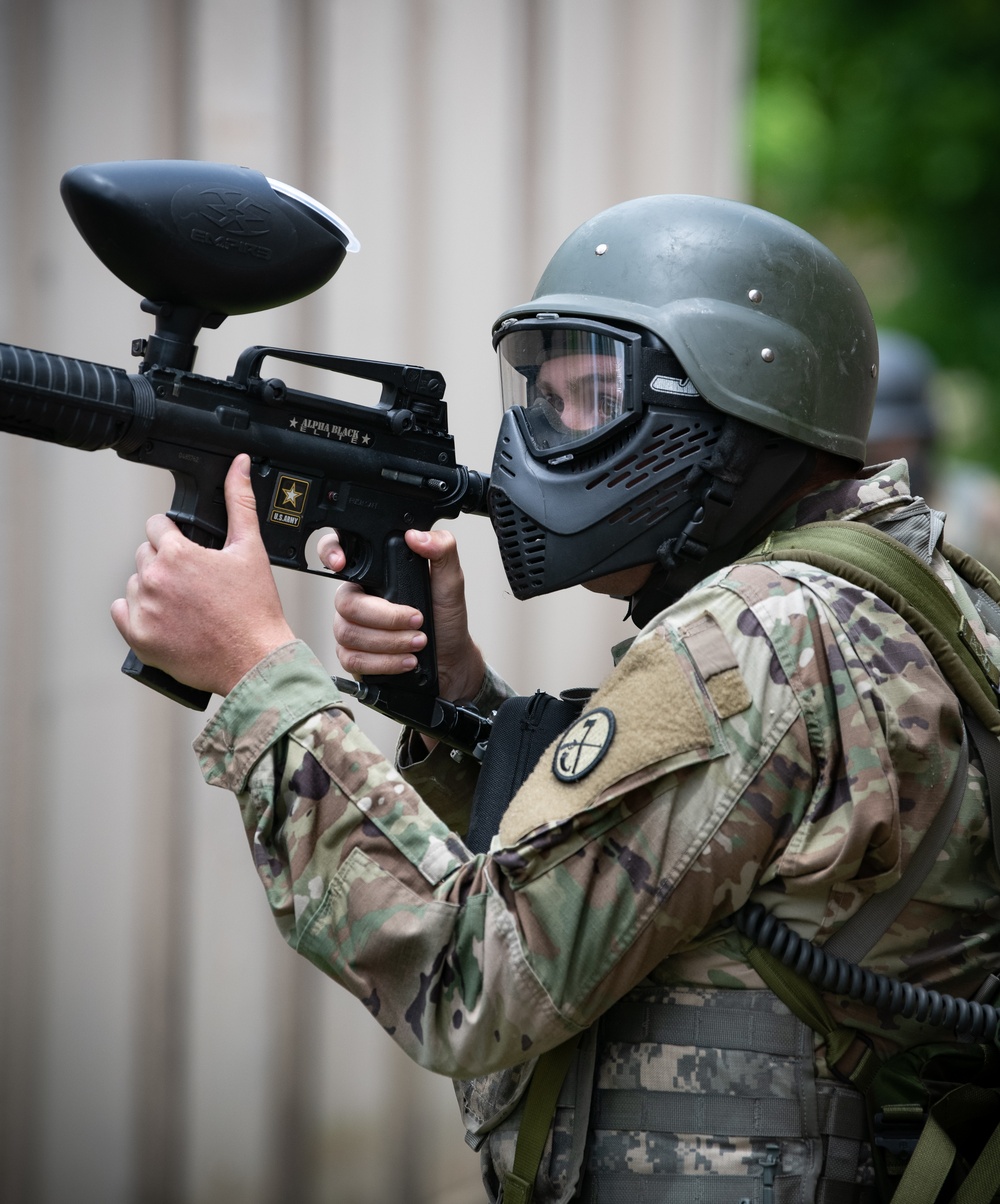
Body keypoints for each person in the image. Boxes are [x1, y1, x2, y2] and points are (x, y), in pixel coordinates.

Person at [112, 195, 1000, 1203]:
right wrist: (460, 707)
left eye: (588, 396)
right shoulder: (911, 592)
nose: (541, 436)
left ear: (733, 400)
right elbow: (693, 857)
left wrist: (256, 674)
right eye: (538, 393)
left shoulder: (753, 639)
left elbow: (473, 982)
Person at [867, 328, 1000, 574]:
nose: (886, 458)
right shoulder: (837, 516)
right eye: (872, 447)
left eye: (899, 440)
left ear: (924, 436)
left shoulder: (981, 510)